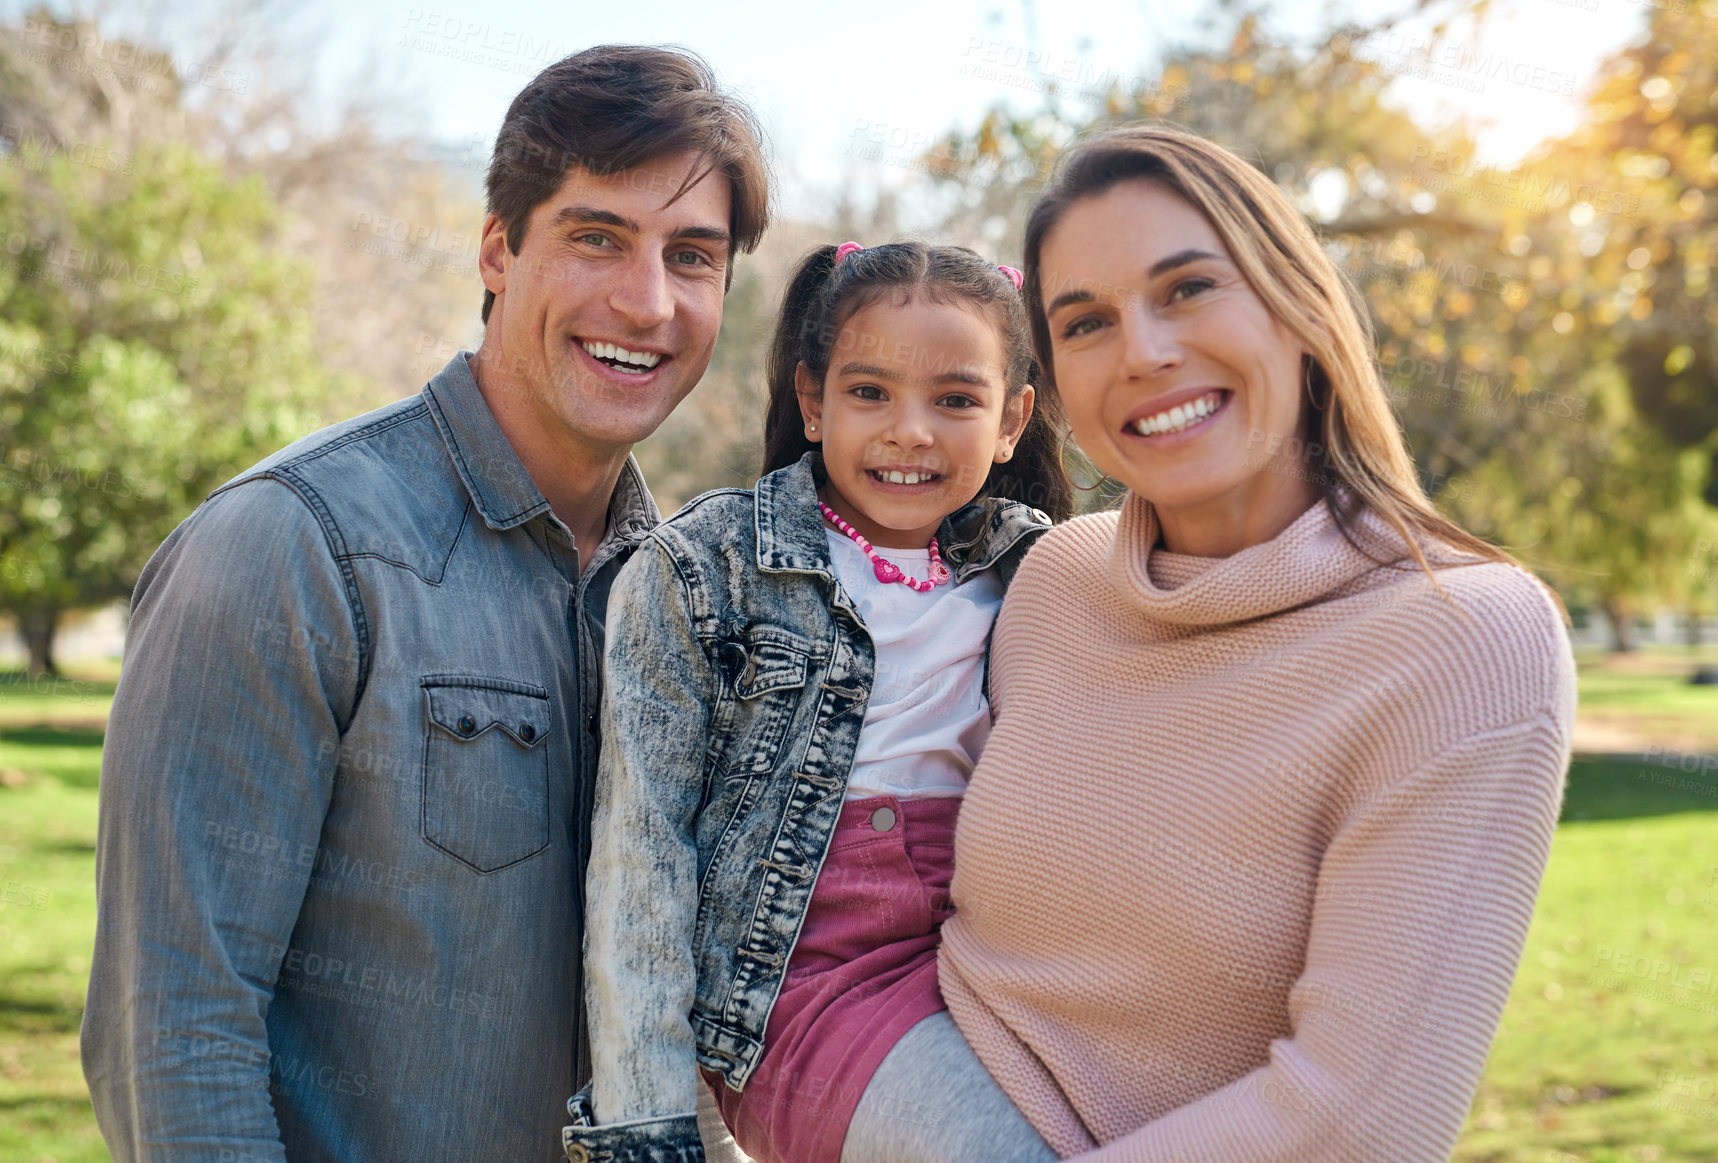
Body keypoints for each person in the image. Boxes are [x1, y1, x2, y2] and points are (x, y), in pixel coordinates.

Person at [82, 46, 768, 1162]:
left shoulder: (689, 596)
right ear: (498, 248)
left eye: (690, 255)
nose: (645, 301)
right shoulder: (293, 547)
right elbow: (173, 1035)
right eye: (596, 236)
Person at [912, 125, 1575, 1161]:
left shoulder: (1462, 638)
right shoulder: (1051, 581)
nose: (1141, 353)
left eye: (1185, 289)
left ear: (1297, 305)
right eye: (1084, 322)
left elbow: (1356, 1123)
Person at [562, 240, 1072, 1163]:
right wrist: (650, 1131)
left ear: (1012, 420)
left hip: (996, 966)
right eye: (870, 392)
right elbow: (641, 853)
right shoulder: (701, 568)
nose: (911, 431)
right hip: (800, 984)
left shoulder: (1044, 571)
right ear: (812, 400)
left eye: (956, 399)